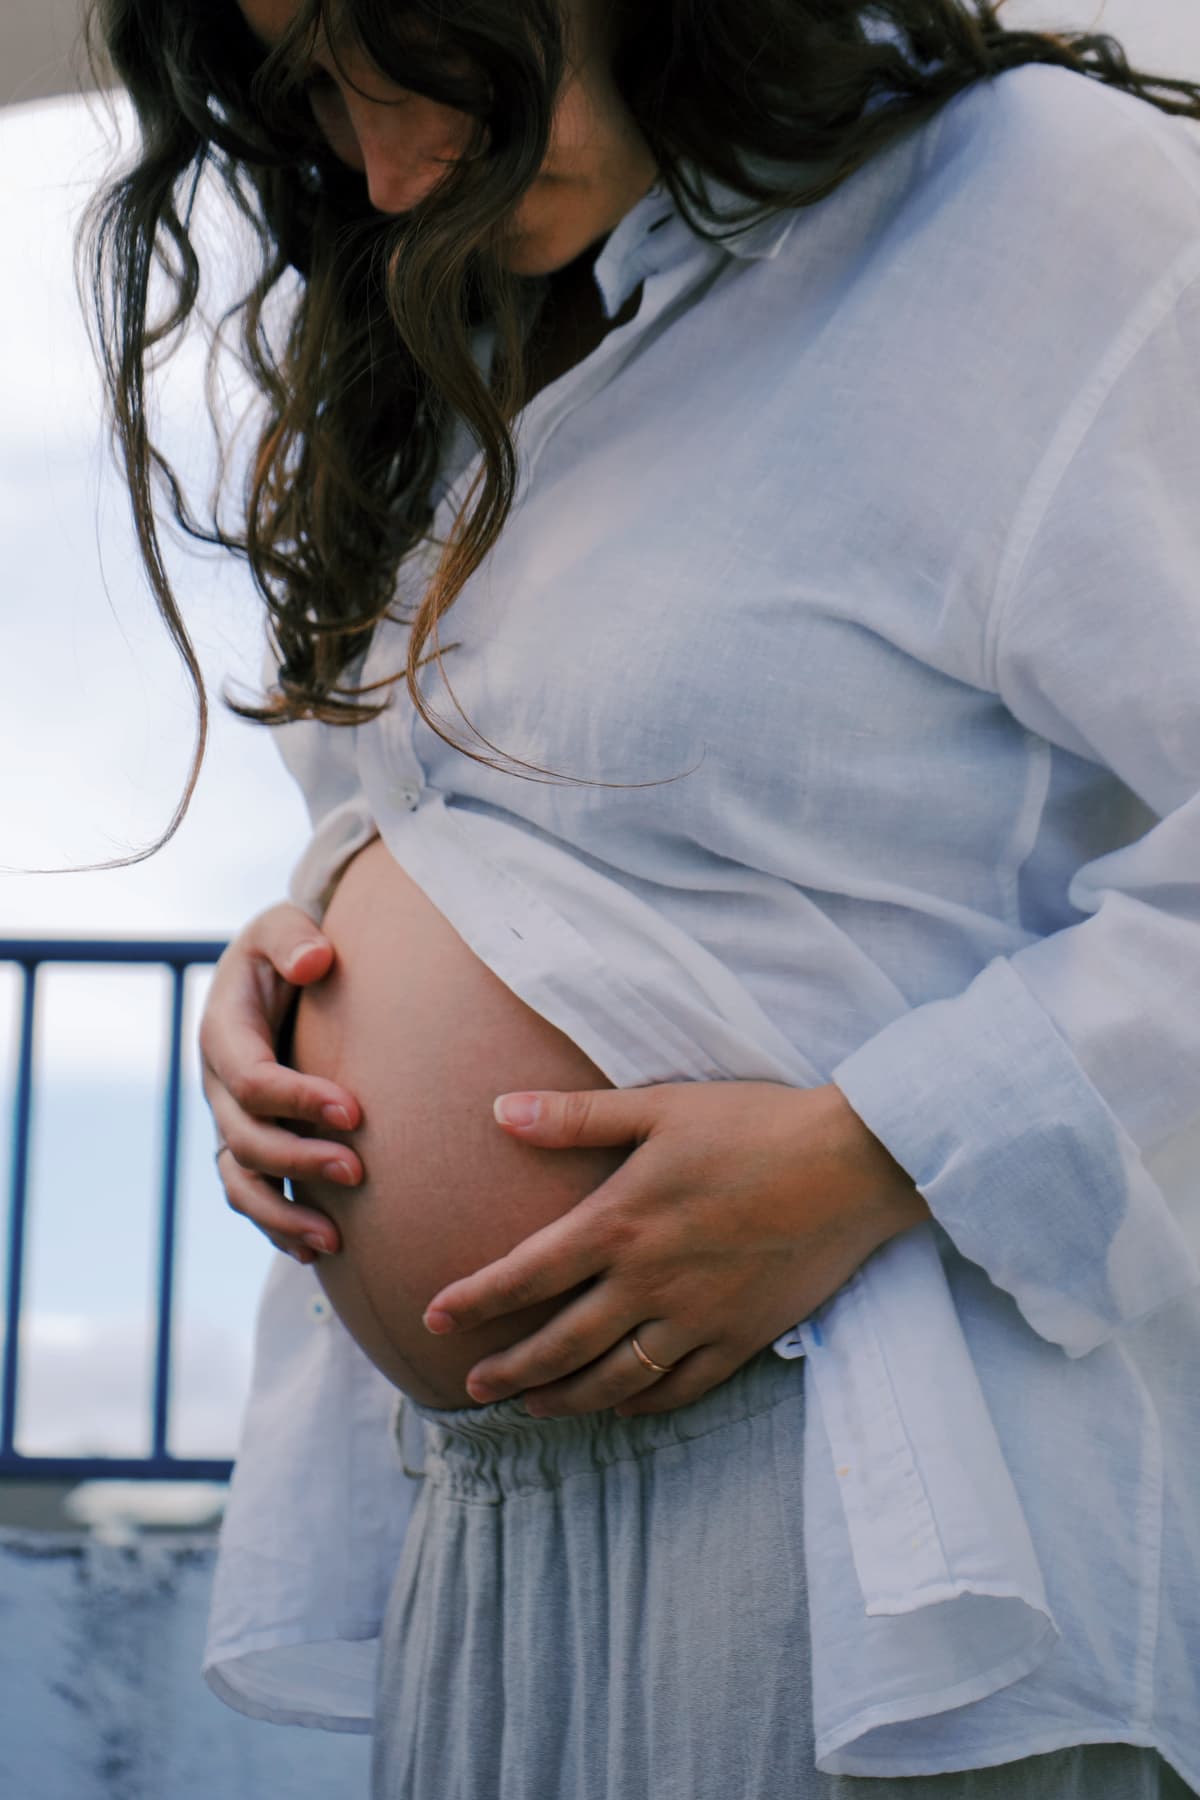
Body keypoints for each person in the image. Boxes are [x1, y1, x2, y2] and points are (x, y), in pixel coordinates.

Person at [81, 1, 1200, 1795]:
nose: (380, 162)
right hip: (491, 1533)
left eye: (405, 47)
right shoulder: (492, 327)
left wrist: (876, 1150)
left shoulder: (1035, 212)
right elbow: (531, 842)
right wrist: (298, 964)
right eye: (312, 88)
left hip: (867, 1514)